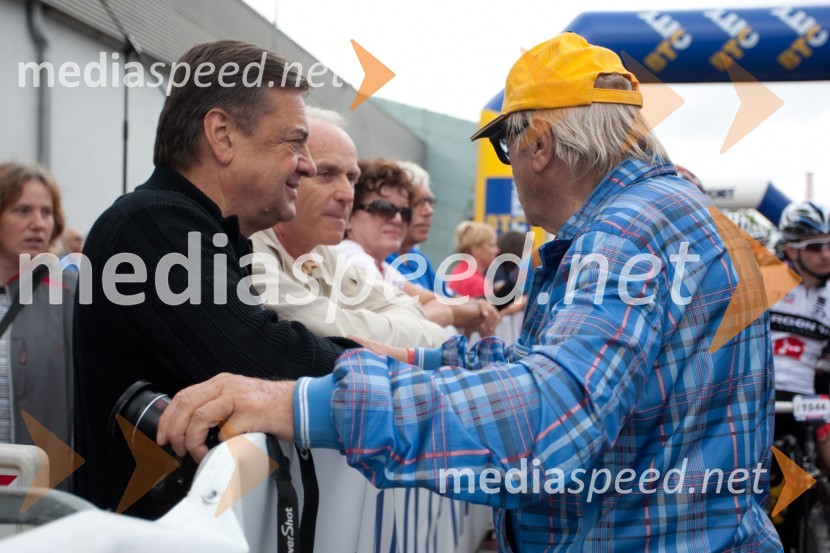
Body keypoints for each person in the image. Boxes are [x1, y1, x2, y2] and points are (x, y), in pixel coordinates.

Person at [159, 33, 778, 550]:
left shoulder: (631, 231)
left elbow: (547, 420)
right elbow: (547, 375)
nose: (510, 167)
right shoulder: (655, 217)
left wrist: (305, 407)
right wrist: (403, 359)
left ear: (538, 144)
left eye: (508, 146)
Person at [73, 41, 357, 518]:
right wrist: (373, 368)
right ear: (222, 135)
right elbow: (263, 355)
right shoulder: (151, 227)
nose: (306, 165)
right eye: (294, 141)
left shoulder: (200, 230)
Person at [250, 109, 447, 347]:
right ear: (283, 174)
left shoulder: (325, 256)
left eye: (352, 179)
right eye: (324, 173)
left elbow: (426, 325)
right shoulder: (245, 247)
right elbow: (321, 329)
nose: (346, 194)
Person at [0, 163, 76, 470]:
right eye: (23, 211)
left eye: (46, 212)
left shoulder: (72, 293)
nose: (38, 223)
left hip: (38, 492)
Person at [447, 221, 499, 299]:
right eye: (491, 245)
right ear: (476, 249)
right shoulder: (477, 283)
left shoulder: (458, 272)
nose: (497, 250)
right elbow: (491, 310)